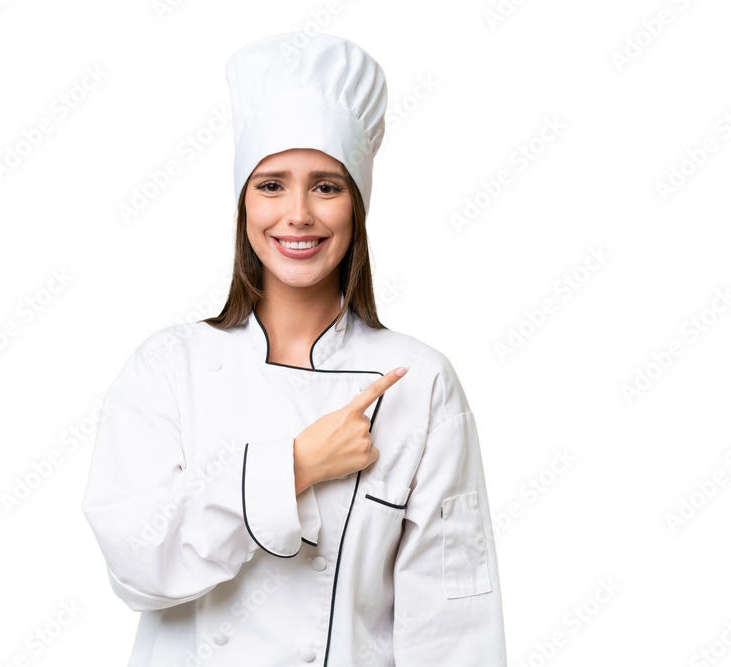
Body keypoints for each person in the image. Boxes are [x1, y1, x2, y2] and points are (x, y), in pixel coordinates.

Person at [81, 31, 507, 666]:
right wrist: (296, 467)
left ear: (357, 205)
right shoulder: (172, 367)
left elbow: (453, 628)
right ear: (243, 203)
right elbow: (137, 566)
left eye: (327, 186)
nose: (299, 214)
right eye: (272, 185)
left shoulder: (419, 382)